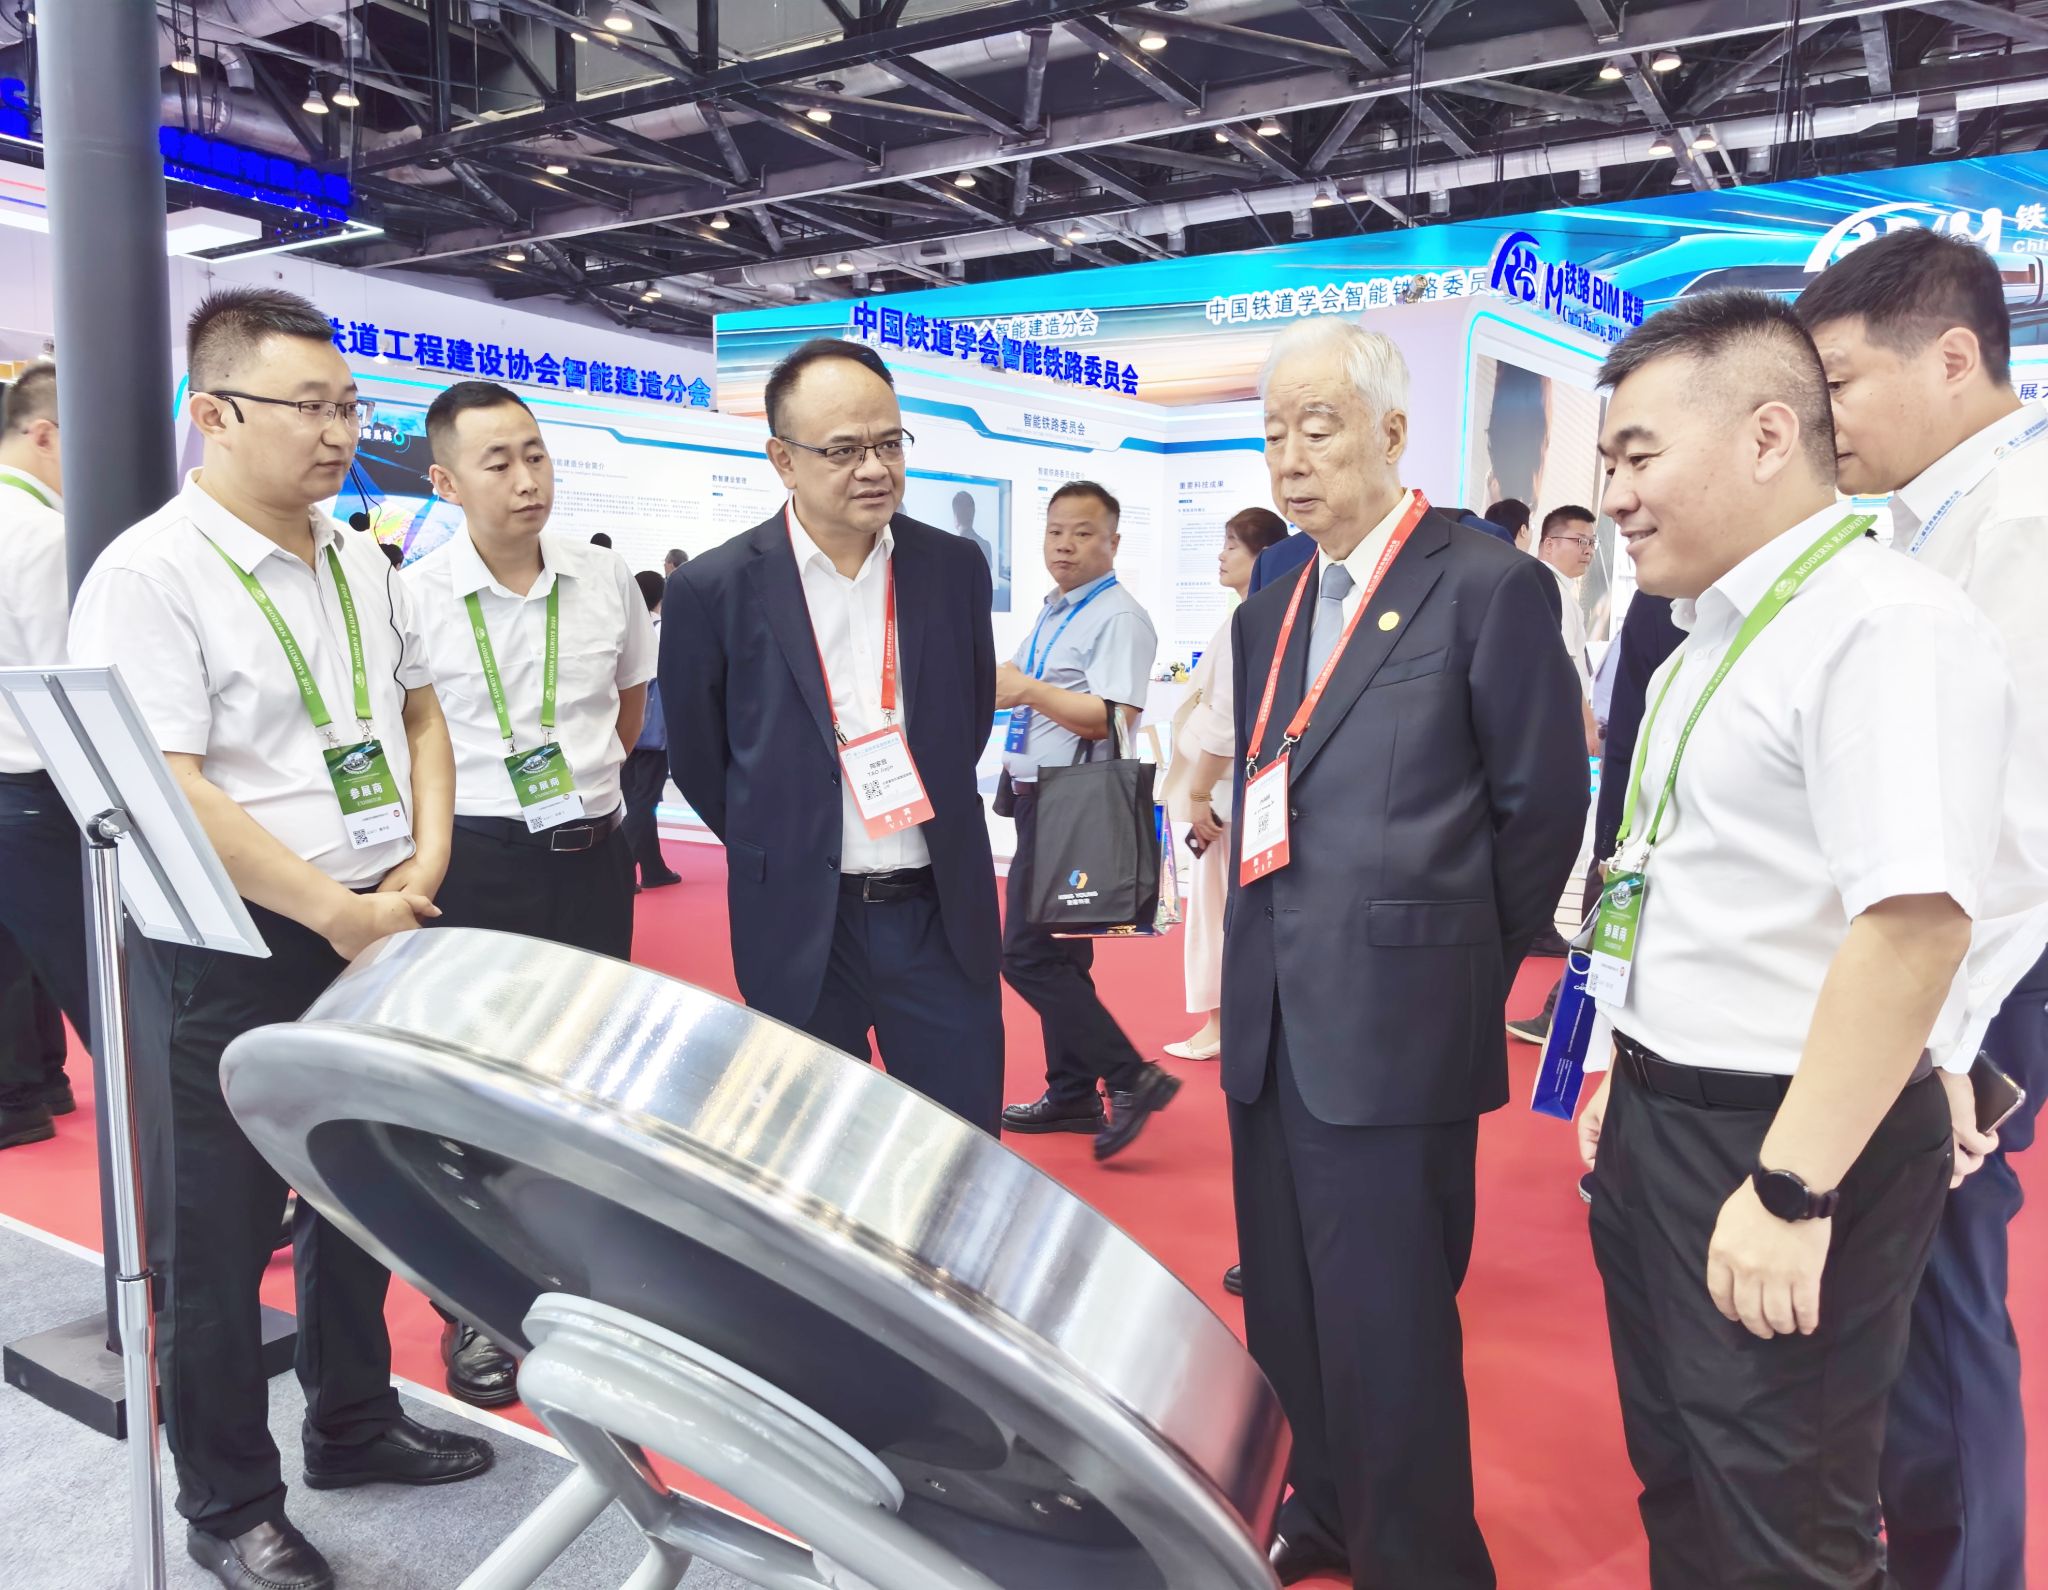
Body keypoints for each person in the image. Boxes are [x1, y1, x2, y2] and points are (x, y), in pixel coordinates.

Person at [1573, 290, 2015, 1590]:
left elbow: (1914, 927)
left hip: (1785, 1136)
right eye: (1608, 463)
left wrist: (1790, 1187)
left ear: (1769, 435)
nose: (1614, 497)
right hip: (1664, 1117)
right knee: (1683, 1481)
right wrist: (1622, 1061)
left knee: (1786, 1526)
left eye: (1638, 456)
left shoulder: (1883, 622)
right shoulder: (1699, 641)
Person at [68, 287, 491, 1590]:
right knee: (217, 1230)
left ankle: (352, 1422)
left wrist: (422, 863)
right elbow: (173, 782)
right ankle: (229, 1502)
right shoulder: (151, 576)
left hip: (380, 912)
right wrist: (335, 908)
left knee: (360, 1188)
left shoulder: (361, 557)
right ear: (214, 413)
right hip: (232, 943)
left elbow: (420, 714)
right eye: (308, 406)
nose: (339, 431)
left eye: (348, 404)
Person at [1228, 318, 1586, 1589]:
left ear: (1389, 431)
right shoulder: (1271, 603)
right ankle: (1322, 1507)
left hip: (1396, 1026)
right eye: (1273, 432)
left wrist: (1452, 972)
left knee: (1388, 1324)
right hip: (1270, 1015)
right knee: (1284, 1305)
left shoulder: (1484, 584)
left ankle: (1421, 1559)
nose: (1289, 457)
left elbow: (1538, 807)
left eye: (1316, 427)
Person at [1797, 227, 2048, 1590]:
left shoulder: (2021, 518)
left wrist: (1937, 1043)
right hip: (1919, 983)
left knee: (1940, 1301)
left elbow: (2014, 827)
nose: (1820, 416)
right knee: (1901, 1299)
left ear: (1954, 358)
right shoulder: (1924, 519)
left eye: (1839, 382)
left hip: (1964, 991)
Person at [663, 338, 1004, 1132]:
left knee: (957, 1144)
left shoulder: (953, 568)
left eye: (890, 443)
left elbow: (970, 718)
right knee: (808, 1148)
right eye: (844, 451)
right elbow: (703, 763)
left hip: (938, 914)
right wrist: (787, 840)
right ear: (783, 459)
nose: (875, 469)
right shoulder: (713, 588)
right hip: (800, 921)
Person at [403, 379, 654, 1408]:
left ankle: (578, 1277)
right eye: (498, 462)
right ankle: (473, 1304)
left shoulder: (603, 577)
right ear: (445, 482)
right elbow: (409, 737)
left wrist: (584, 797)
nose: (525, 479)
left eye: (536, 454)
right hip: (477, 860)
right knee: (473, 1088)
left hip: (591, 856)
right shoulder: (413, 595)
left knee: (584, 1075)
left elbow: (627, 707)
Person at [996, 480, 1180, 1159]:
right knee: (1061, 953)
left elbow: (1115, 718)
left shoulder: (1119, 616)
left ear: (1113, 542)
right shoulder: (1056, 610)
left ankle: (1131, 1075)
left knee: (1024, 955)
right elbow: (1025, 681)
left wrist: (1026, 689)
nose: (1065, 546)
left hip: (1072, 803)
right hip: (1041, 798)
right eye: (1055, 532)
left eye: (1081, 533)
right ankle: (1072, 1092)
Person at [1507, 589, 1683, 1048]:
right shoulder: (1661, 601)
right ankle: (1571, 1010)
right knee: (1614, 908)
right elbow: (1624, 727)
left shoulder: (1661, 599)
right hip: (1649, 818)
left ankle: (1573, 1012)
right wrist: (1608, 840)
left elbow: (1623, 726)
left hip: (1657, 819)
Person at [0, 362, 93, 1150]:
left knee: (15, 955)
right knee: (93, 975)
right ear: (44, 435)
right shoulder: (42, 534)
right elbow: (64, 679)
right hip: (39, 783)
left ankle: (25, 1093)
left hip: (16, 783)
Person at [1160, 506, 1287, 1062]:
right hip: (1239, 791)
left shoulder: (1250, 620)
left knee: (1215, 911)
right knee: (1228, 909)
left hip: (1225, 794)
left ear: (1263, 556)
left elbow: (1226, 719)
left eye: (1233, 545)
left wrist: (1198, 793)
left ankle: (1218, 1024)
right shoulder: (1259, 617)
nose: (1221, 555)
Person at [623, 569, 682, 890]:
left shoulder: (626, 626)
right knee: (644, 801)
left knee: (637, 798)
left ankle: (653, 867)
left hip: (626, 727)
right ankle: (619, 869)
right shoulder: (661, 631)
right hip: (653, 732)